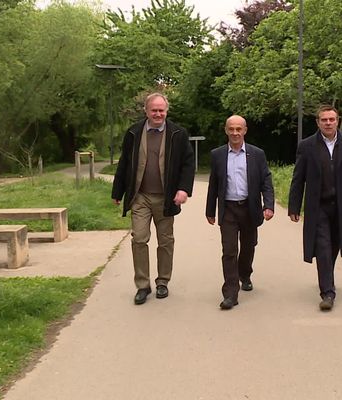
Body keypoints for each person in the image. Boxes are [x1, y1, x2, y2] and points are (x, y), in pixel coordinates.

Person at [112, 93, 195, 305]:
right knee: (139, 238)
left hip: (166, 198)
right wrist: (117, 191)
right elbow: (124, 162)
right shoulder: (133, 133)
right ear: (146, 111)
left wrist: (183, 189)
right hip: (140, 197)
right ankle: (142, 285)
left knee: (165, 241)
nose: (158, 114)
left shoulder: (178, 133)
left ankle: (162, 282)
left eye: (161, 110)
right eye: (154, 110)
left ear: (166, 111)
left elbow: (187, 163)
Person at [288, 105, 342, 311]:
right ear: (318, 122)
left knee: (334, 245)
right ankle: (327, 292)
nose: (328, 123)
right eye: (324, 120)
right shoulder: (307, 146)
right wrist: (294, 206)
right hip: (319, 207)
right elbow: (298, 178)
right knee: (323, 247)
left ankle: (327, 277)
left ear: (337, 121)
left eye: (331, 119)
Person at [206, 115, 275, 310]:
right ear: (226, 130)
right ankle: (230, 293)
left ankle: (245, 274)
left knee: (248, 246)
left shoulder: (257, 154)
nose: (235, 133)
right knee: (229, 251)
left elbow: (266, 182)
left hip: (249, 208)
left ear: (245, 131)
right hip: (228, 209)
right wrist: (210, 210)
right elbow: (214, 184)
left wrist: (268, 205)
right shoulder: (218, 155)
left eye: (239, 129)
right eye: (231, 129)